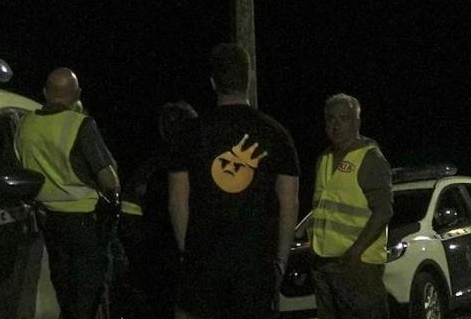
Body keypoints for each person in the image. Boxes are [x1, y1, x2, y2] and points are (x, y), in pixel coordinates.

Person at [169, 44, 299, 319]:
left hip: (203, 264)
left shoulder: (190, 135)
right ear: (249, 77)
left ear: (213, 82)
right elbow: (289, 203)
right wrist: (280, 261)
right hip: (256, 266)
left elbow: (178, 200)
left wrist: (187, 251)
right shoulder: (276, 134)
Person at [17, 67, 121, 319]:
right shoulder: (80, 124)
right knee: (87, 296)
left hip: (49, 222)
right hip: (85, 223)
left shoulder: (26, 123)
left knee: (63, 290)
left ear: (44, 93)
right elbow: (109, 179)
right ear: (78, 94)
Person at [309, 93, 393, 319]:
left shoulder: (369, 158)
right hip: (325, 265)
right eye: (330, 119)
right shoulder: (324, 158)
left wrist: (355, 252)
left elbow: (384, 211)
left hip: (358, 266)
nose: (335, 125)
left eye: (343, 119)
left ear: (357, 121)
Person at [121, 100, 198, 319]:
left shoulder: (150, 168)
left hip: (157, 260)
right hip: (185, 259)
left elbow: (129, 215)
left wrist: (139, 255)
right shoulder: (204, 167)